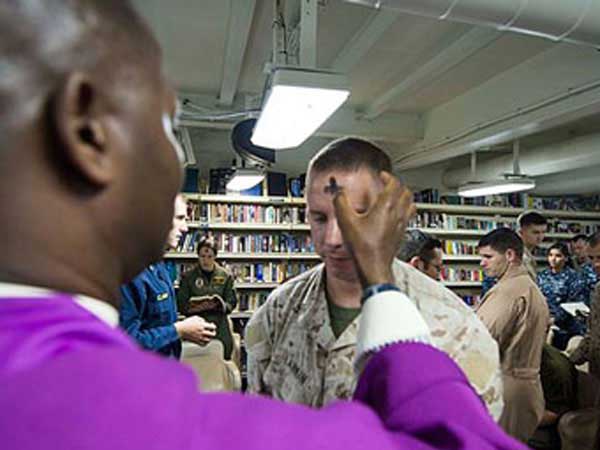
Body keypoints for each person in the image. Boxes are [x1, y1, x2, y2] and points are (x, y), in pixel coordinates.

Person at [0, 2, 524, 448]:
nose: (174, 159)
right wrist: (383, 292)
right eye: (169, 125)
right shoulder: (130, 415)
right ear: (88, 130)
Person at [246, 137, 504, 419]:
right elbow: (258, 413)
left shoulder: (457, 330)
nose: (334, 239)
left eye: (356, 217)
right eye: (320, 218)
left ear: (388, 216)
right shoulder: (280, 309)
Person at [119, 195, 217, 358]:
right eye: (179, 218)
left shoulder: (157, 265)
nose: (185, 228)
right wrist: (179, 330)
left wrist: (185, 330)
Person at [476, 228, 550, 442]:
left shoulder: (507, 292)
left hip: (507, 388)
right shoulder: (531, 288)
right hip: (528, 388)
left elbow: (480, 341)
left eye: (488, 257)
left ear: (510, 255)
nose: (482, 263)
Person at [177, 236, 237, 360]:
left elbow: (232, 302)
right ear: (198, 256)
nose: (205, 260)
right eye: (202, 256)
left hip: (219, 327)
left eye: (209, 256)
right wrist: (195, 306)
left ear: (215, 256)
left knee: (221, 363)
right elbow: (181, 304)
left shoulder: (226, 276)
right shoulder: (188, 277)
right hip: (195, 327)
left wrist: (221, 306)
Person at [536, 243, 586, 350]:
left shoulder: (574, 277)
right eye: (550, 255)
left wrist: (554, 319)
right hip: (543, 321)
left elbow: (572, 303)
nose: (553, 259)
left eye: (558, 256)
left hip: (565, 327)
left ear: (566, 258)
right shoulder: (542, 276)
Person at [571, 232, 600, 380]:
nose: (596, 264)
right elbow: (593, 334)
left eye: (599, 258)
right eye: (592, 258)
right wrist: (569, 361)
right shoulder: (598, 290)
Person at [517, 211, 548, 280]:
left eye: (543, 232)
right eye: (535, 232)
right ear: (521, 232)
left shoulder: (529, 254)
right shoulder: (517, 256)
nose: (540, 237)